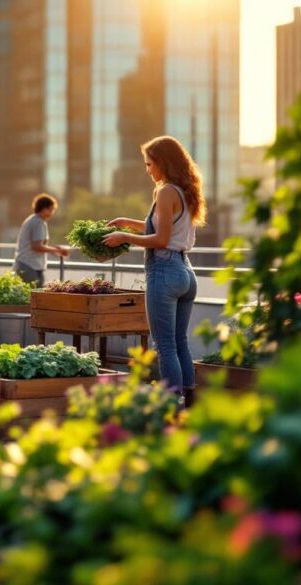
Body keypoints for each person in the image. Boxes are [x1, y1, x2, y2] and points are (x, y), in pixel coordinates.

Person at [102, 135, 204, 407]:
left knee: (165, 346)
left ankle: (171, 405)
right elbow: (164, 229)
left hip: (165, 271)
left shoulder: (165, 191)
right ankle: (189, 403)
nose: (147, 170)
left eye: (149, 164)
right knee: (180, 342)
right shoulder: (185, 190)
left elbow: (160, 239)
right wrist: (127, 223)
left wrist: (124, 237)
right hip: (185, 272)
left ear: (163, 163)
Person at [13, 193, 70, 287]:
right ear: (44, 209)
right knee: (34, 293)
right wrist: (58, 250)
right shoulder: (38, 222)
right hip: (29, 265)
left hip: (28, 264)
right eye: (51, 209)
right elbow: (37, 247)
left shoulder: (34, 220)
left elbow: (40, 246)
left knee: (37, 291)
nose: (52, 212)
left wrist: (55, 250)